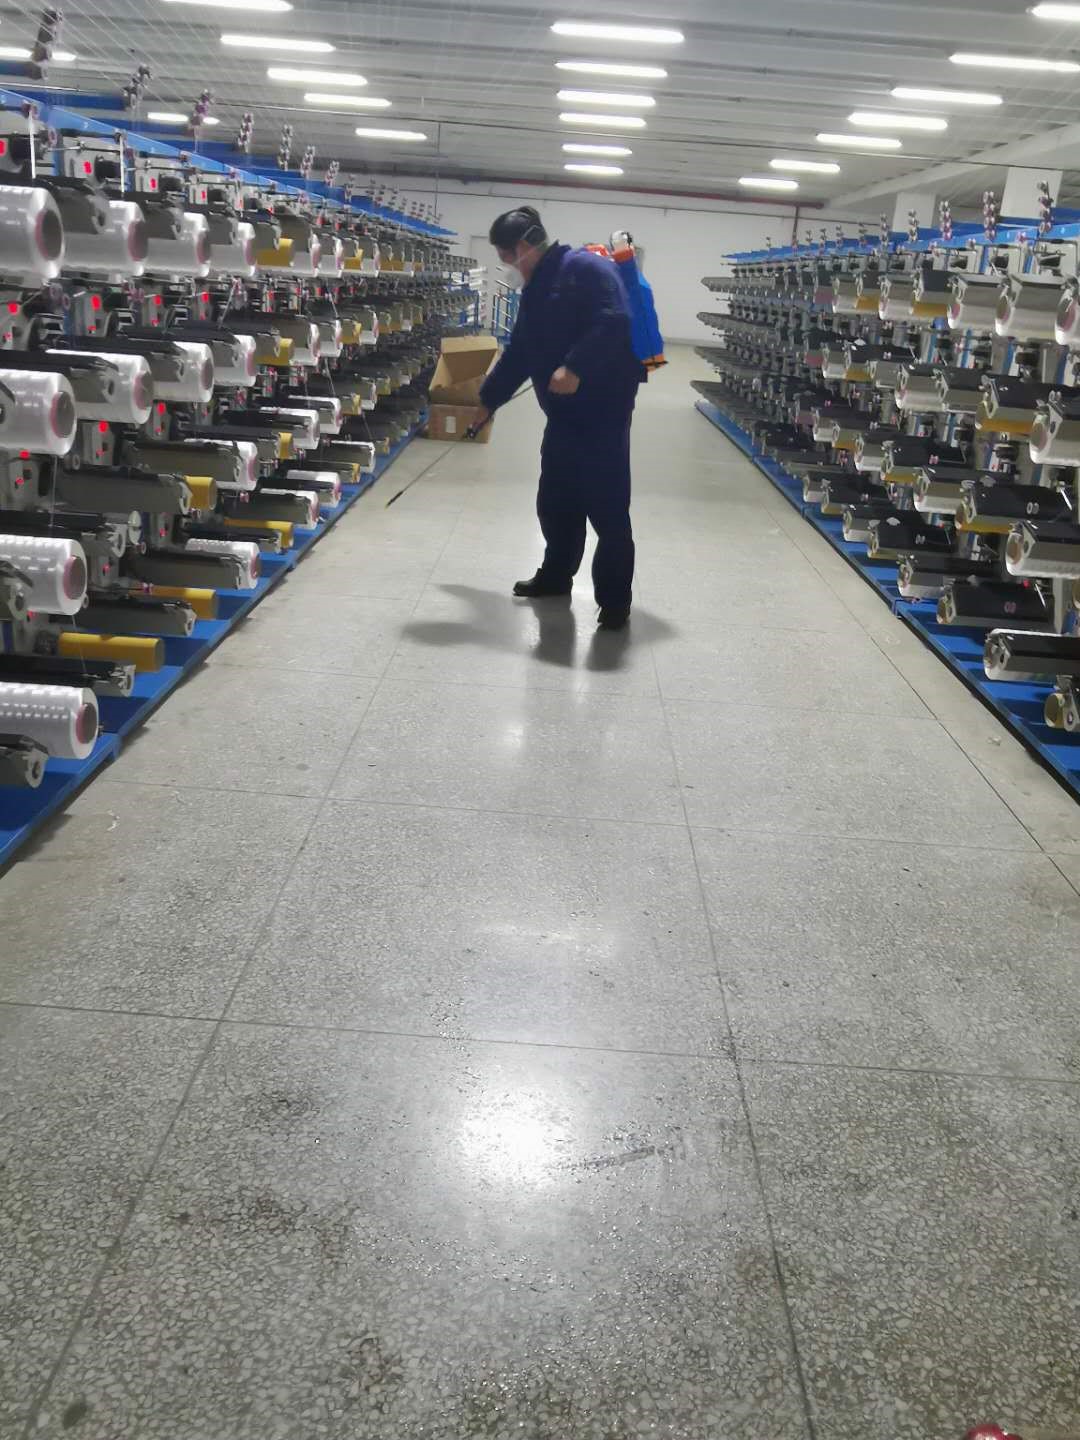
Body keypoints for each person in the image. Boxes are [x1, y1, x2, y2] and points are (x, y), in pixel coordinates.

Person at [475, 206, 644, 630]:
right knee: (556, 499)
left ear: (524, 246)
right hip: (563, 414)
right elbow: (520, 351)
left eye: (506, 256)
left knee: (606, 507)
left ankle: (615, 601)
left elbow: (615, 319)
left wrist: (575, 366)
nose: (507, 265)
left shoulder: (586, 269)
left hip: (603, 412)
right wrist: (487, 400)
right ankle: (555, 576)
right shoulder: (536, 287)